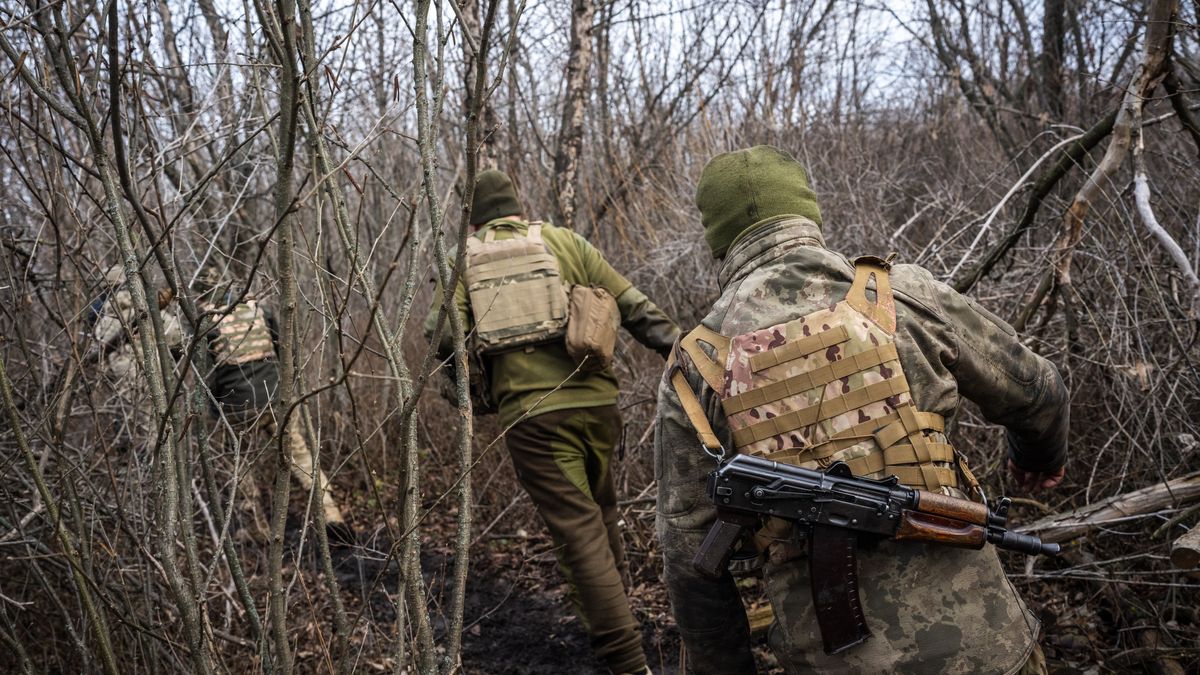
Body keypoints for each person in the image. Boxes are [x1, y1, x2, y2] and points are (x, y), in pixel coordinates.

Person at [655, 145, 1068, 673]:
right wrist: (1036, 458)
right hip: (984, 644)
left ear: (717, 240)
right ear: (809, 212)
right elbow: (1040, 392)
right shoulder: (903, 296)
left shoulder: (696, 364)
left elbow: (690, 560)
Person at [424, 169, 680, 674]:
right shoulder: (563, 242)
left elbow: (440, 334)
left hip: (534, 418)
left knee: (579, 534)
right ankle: (622, 618)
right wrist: (686, 350)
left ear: (471, 217)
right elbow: (633, 308)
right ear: (517, 205)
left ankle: (627, 661)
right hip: (599, 407)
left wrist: (470, 374)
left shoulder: (465, 260)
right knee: (603, 514)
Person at [196, 270, 354, 546]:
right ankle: (331, 515)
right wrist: (286, 387)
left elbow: (205, 374)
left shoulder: (206, 321)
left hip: (238, 406)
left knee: (241, 467)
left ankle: (258, 528)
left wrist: (213, 410)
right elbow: (283, 350)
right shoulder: (259, 309)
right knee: (302, 458)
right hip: (276, 397)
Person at [89, 264, 182, 451]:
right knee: (155, 426)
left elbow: (97, 354)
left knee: (126, 424)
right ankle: (157, 465)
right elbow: (178, 339)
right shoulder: (152, 312)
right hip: (154, 376)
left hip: (121, 382)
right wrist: (167, 367)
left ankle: (129, 463)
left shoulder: (106, 318)